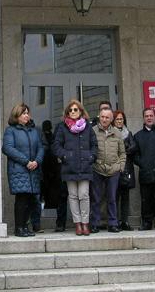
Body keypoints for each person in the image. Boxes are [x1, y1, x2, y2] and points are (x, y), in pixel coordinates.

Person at [52, 100, 98, 236]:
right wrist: (65, 156)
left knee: (83, 195)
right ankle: (77, 224)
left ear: (81, 112)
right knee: (72, 196)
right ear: (67, 112)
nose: (73, 112)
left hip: (85, 166)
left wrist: (91, 157)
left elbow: (94, 145)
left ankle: (85, 223)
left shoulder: (88, 127)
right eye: (70, 110)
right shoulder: (62, 127)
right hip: (69, 167)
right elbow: (56, 145)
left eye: (75, 109)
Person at [2, 103, 44, 237]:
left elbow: (41, 148)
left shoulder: (34, 131)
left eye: (27, 113)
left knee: (32, 199)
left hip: (33, 169)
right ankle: (19, 228)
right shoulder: (11, 130)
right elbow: (8, 148)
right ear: (16, 115)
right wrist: (26, 162)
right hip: (19, 170)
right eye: (23, 113)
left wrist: (37, 161)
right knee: (22, 199)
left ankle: (25, 226)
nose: (26, 115)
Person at [91, 108, 126, 233]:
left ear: (111, 119)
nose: (104, 119)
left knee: (112, 198)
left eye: (107, 117)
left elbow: (122, 153)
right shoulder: (93, 131)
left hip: (113, 170)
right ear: (99, 117)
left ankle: (113, 223)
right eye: (102, 117)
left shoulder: (117, 133)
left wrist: (121, 166)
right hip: (97, 169)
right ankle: (95, 223)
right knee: (96, 198)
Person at [41, 120, 68, 232]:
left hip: (69, 167)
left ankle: (80, 223)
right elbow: (54, 148)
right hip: (57, 168)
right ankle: (60, 223)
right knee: (61, 196)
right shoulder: (60, 128)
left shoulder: (81, 127)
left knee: (79, 196)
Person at [113, 110, 136, 231]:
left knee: (125, 197)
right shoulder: (110, 133)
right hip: (114, 169)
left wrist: (123, 151)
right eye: (117, 119)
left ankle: (124, 221)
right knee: (114, 197)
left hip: (126, 169)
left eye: (121, 119)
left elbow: (133, 147)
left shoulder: (128, 133)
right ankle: (114, 221)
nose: (119, 121)